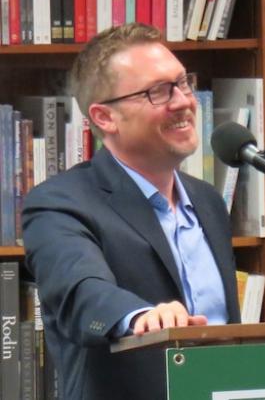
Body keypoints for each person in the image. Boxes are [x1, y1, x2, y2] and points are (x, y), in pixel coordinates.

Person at [22, 23, 240, 400]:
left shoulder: (208, 202)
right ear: (105, 117)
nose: (184, 101)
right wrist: (139, 317)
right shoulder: (59, 203)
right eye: (158, 91)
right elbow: (80, 291)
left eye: (182, 82)